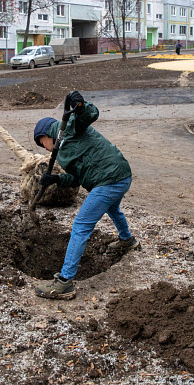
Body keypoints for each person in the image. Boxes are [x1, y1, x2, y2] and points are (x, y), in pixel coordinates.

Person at [33, 91, 139, 300]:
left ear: (45, 136)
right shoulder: (62, 150)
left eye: (41, 143)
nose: (44, 148)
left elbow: (88, 115)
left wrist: (80, 106)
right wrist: (56, 180)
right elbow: (76, 178)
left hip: (110, 179)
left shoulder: (65, 129)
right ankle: (127, 240)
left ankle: (64, 283)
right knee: (113, 208)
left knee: (81, 225)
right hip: (119, 176)